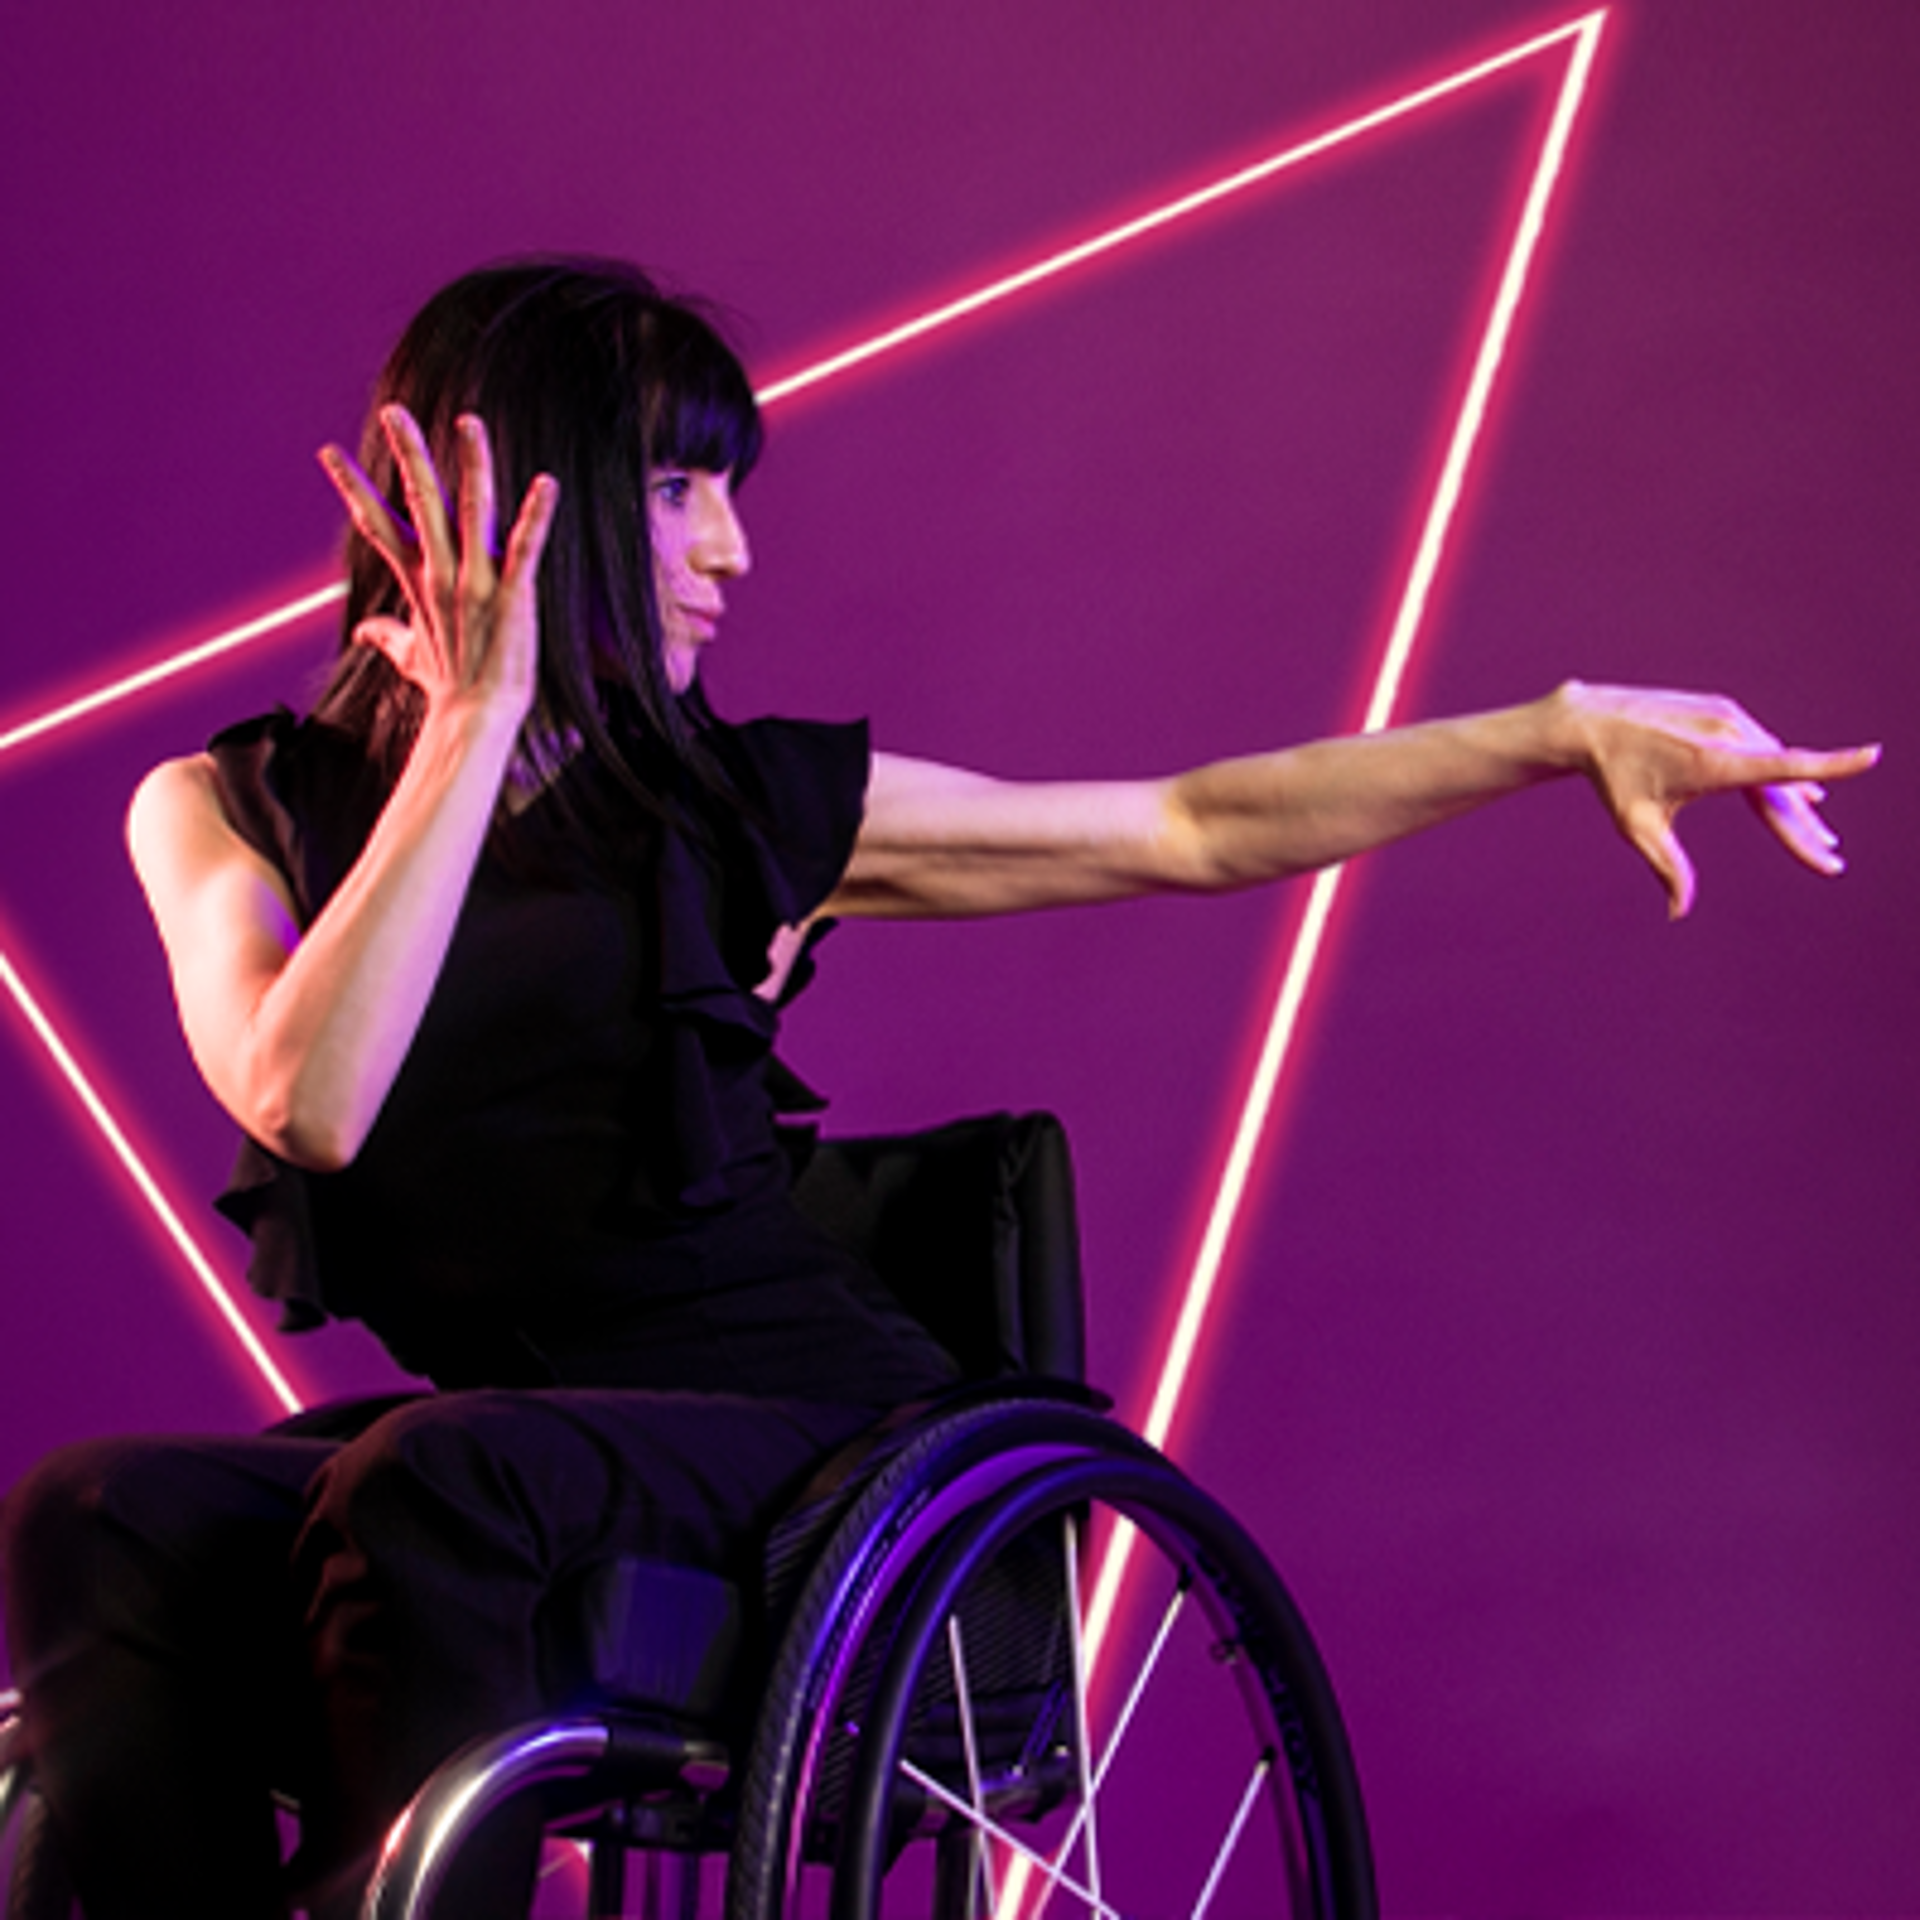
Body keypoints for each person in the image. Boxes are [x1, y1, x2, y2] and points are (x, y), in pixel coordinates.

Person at [0, 256, 1877, 1919]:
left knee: (431, 1479)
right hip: (531, 1446)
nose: (731, 552)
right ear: (527, 503)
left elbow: (1189, 822)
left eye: (731, 493)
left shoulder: (741, 812)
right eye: (676, 489)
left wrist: (1552, 735)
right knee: (96, 1511)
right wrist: (471, 734)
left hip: (820, 1444)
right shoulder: (228, 811)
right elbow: (308, 1098)